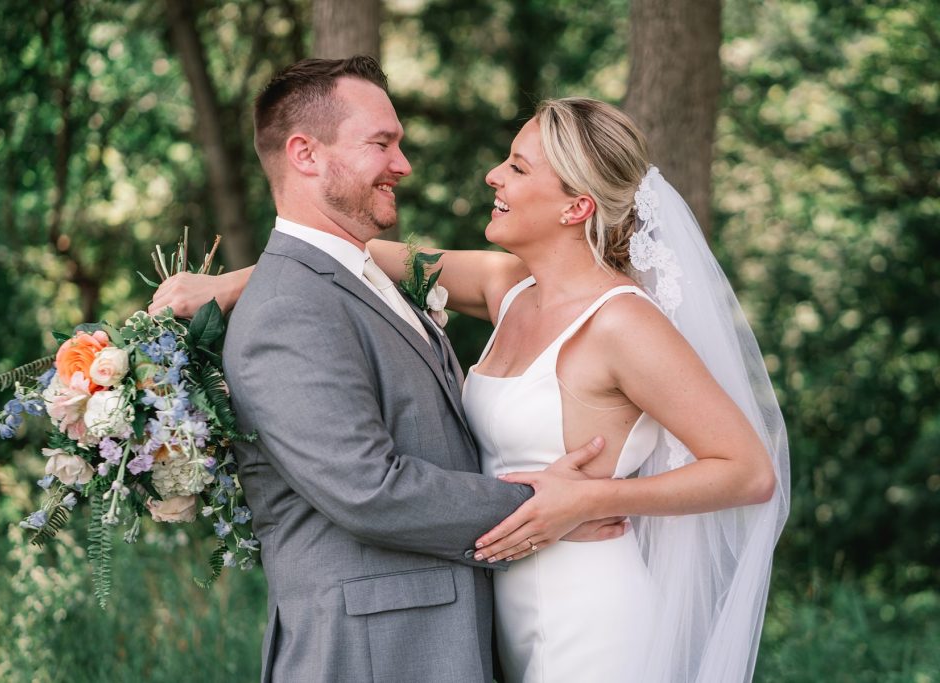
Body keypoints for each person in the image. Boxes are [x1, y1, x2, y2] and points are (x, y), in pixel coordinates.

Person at [154, 91, 789, 681]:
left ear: (577, 206)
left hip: (590, 610)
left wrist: (590, 500)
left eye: (517, 167)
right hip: (495, 607)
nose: (494, 176)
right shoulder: (505, 285)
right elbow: (352, 259)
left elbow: (748, 471)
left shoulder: (622, 322)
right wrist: (232, 285)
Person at [181, 57, 621, 683]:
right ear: (305, 153)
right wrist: (544, 504)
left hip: (437, 637)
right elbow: (367, 489)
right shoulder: (285, 309)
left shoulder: (360, 280)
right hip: (369, 652)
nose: (403, 165)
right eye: (382, 144)